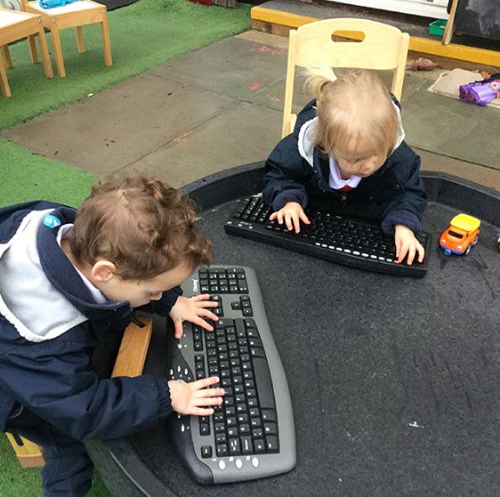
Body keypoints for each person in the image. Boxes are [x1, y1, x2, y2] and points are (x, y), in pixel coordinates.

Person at [0, 174, 225, 496]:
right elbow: (83, 410)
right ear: (104, 272)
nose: (156, 296)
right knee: (71, 445)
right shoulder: (44, 337)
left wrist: (170, 301)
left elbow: (130, 272)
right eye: (151, 292)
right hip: (16, 390)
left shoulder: (63, 231)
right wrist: (166, 395)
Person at [263, 69, 427, 265]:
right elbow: (279, 173)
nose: (369, 166)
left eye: (377, 154)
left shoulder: (399, 159)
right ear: (327, 146)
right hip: (314, 228)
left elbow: (409, 192)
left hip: (366, 229)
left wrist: (404, 224)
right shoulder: (300, 152)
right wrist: (289, 200)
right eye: (354, 160)